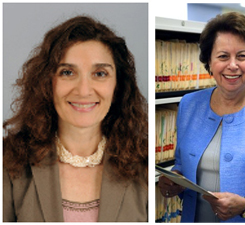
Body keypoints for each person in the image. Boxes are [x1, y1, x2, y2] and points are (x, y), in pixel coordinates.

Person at [158, 12, 245, 222]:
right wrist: (172, 182)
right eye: (223, 56)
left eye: (241, 56)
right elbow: (181, 166)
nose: (232, 65)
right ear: (209, 62)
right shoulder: (189, 104)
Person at [3, 15, 148, 222]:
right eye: (68, 72)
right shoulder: (7, 161)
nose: (83, 90)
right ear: (47, 82)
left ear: (118, 86)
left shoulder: (144, 162)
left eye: (99, 74)